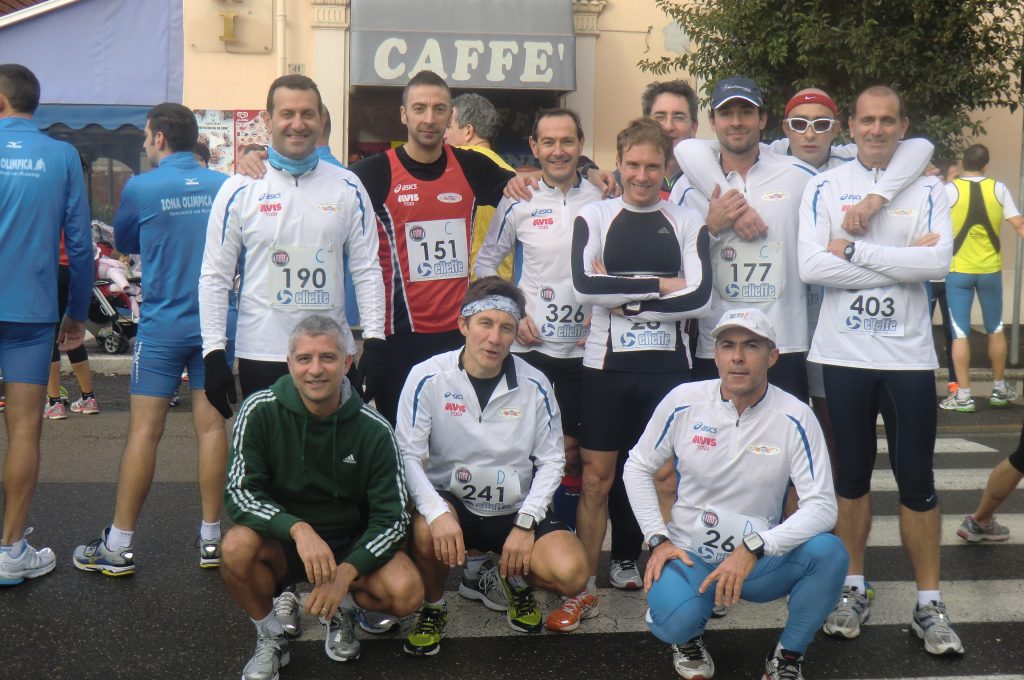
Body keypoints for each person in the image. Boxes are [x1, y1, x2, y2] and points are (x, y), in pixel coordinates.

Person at [798, 85, 963, 656]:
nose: (875, 129)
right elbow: (809, 263)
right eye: (866, 120)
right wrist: (901, 267)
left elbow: (938, 262)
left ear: (903, 125)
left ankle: (929, 603)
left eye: (886, 120)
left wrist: (855, 251)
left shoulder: (930, 187)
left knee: (918, 483)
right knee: (851, 482)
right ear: (851, 124)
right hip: (842, 357)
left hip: (909, 360)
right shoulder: (825, 185)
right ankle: (852, 589)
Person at [624, 308, 846, 680]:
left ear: (772, 356)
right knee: (677, 620)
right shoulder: (684, 399)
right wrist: (657, 538)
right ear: (716, 355)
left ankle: (787, 658)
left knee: (830, 553)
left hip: (756, 563)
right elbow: (637, 466)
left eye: (751, 346)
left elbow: (823, 506)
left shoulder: (796, 415)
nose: (738, 357)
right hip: (690, 554)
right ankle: (687, 633)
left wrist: (756, 545)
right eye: (728, 346)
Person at [71, 103, 232, 576]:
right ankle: (210, 539)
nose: (143, 143)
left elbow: (127, 240)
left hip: (163, 325)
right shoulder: (225, 186)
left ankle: (119, 545)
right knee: (211, 430)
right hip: (215, 326)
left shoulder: (142, 186)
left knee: (144, 431)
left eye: (146, 136)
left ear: (161, 138)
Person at [568, 117, 712, 626]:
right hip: (605, 368)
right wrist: (660, 286)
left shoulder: (686, 220)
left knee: (669, 476)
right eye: (633, 164)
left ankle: (677, 583)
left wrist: (625, 295)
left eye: (653, 166)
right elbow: (585, 288)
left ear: (666, 167)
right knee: (595, 479)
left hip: (668, 370)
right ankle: (582, 588)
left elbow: (699, 296)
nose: (643, 175)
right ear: (619, 163)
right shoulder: (596, 215)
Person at [221, 315, 421, 679]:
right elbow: (240, 493)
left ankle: (341, 606)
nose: (316, 370)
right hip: (286, 543)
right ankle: (271, 635)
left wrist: (345, 573)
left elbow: (392, 520)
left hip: (348, 543)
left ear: (346, 363)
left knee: (407, 592)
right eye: (305, 359)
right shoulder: (259, 410)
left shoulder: (374, 429)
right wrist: (297, 529)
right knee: (235, 546)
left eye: (328, 358)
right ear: (289, 363)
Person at [398, 277, 589, 655]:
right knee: (423, 530)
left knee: (572, 573)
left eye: (506, 328)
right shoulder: (427, 376)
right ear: (463, 325)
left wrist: (526, 522)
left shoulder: (535, 383)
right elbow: (407, 455)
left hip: (512, 509)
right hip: (452, 503)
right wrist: (436, 513)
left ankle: (508, 579)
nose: (495, 338)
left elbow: (552, 460)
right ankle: (434, 608)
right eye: (485, 323)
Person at [474, 108, 603, 630]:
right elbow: (486, 264)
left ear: (580, 144)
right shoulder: (519, 199)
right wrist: (515, 312)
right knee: (528, 454)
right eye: (547, 142)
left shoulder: (605, 197)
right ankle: (509, 555)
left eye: (567, 141)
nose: (557, 151)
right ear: (534, 144)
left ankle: (576, 574)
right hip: (533, 353)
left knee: (580, 459)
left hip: (590, 352)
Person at [199, 74, 384, 415]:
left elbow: (367, 268)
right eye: (287, 114)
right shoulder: (239, 188)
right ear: (268, 120)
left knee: (332, 460)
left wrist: (374, 340)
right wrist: (213, 353)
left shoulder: (348, 186)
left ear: (321, 119)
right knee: (270, 463)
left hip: (331, 354)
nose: (297, 124)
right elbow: (215, 276)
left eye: (307, 114)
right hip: (263, 353)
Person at [346, 71, 518, 425]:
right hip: (398, 339)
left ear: (450, 116)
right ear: (403, 114)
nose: (429, 118)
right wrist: (262, 164)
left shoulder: (471, 166)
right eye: (419, 108)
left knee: (457, 441)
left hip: (458, 335)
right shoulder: (374, 172)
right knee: (404, 441)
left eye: (439, 109)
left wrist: (589, 172)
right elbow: (321, 188)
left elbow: (534, 190)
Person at [0, 64, 92, 586]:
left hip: (29, 312)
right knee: (24, 430)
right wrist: (76, 313)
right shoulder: (59, 156)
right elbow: (80, 246)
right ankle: (11, 550)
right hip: (31, 312)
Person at [939, 143, 1024, 412]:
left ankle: (964, 395)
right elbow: (1018, 224)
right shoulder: (998, 189)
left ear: (964, 162)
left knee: (960, 332)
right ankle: (999, 389)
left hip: (958, 271)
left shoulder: (949, 190)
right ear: (986, 164)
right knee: (996, 328)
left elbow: (931, 224)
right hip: (990, 270)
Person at [445, 93, 517, 280]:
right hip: (501, 288)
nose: (443, 135)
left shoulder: (456, 169)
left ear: (468, 131)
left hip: (466, 290)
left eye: (448, 127)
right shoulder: (509, 173)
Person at [44, 233, 100, 420]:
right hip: (77, 269)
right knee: (72, 333)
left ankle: (54, 402)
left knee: (49, 334)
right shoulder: (75, 204)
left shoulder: (44, 205)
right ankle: (88, 397)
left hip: (52, 267)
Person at [641, 80, 700, 199]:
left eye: (679, 117)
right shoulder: (619, 184)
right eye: (659, 117)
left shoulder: (707, 184)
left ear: (694, 127)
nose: (668, 127)